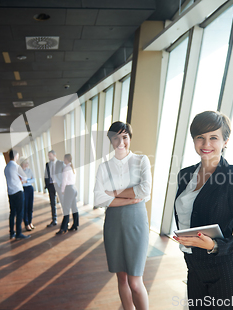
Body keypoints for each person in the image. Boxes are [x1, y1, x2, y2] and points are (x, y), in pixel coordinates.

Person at [172, 111, 233, 309]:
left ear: (225, 141)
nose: (206, 144)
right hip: (194, 269)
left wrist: (214, 245)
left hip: (226, 271)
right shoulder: (185, 175)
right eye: (200, 137)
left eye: (213, 138)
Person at [94, 121, 151, 310]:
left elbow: (144, 190)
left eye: (124, 137)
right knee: (121, 277)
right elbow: (99, 198)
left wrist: (114, 193)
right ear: (110, 140)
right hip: (113, 224)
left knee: (135, 281)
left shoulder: (141, 160)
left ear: (130, 138)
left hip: (136, 222)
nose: (121, 142)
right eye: (116, 137)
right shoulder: (104, 167)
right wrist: (129, 197)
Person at [4, 149, 31, 240]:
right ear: (15, 156)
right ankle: (19, 233)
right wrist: (20, 178)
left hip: (10, 192)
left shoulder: (6, 167)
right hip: (18, 192)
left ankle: (12, 233)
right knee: (20, 213)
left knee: (12, 213)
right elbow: (24, 177)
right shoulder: (16, 166)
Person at [56, 154, 79, 235]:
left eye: (64, 159)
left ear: (66, 159)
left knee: (66, 209)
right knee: (74, 208)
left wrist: (62, 191)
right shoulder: (72, 168)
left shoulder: (66, 168)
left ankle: (63, 228)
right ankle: (75, 225)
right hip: (74, 188)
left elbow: (64, 181)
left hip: (68, 189)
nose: (63, 160)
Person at [44, 150, 64, 228]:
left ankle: (65, 220)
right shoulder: (47, 164)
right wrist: (47, 185)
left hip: (59, 185)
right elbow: (45, 175)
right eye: (48, 156)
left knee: (62, 203)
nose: (49, 157)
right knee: (53, 204)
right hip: (51, 186)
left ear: (54, 155)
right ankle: (54, 220)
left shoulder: (60, 163)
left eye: (50, 156)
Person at [20, 158, 35, 231]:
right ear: (23, 163)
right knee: (25, 207)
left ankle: (30, 222)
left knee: (30, 206)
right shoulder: (19, 171)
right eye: (27, 163)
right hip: (24, 189)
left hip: (30, 189)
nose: (28, 164)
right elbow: (20, 181)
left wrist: (26, 181)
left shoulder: (29, 170)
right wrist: (28, 181)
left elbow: (33, 180)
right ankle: (26, 224)